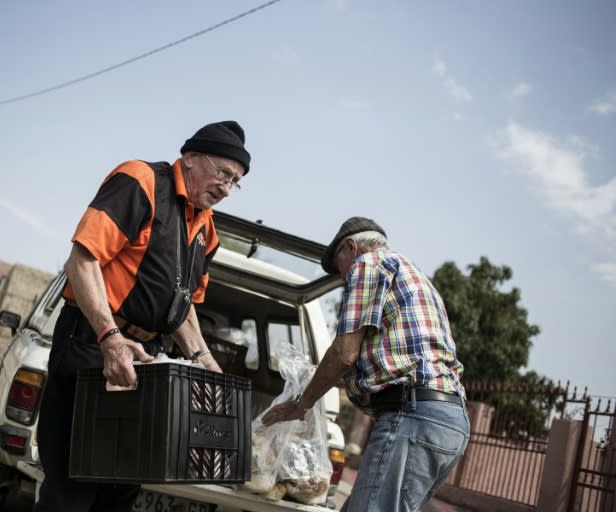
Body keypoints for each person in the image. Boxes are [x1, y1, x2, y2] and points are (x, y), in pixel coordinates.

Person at [34, 120, 251, 512]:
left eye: (235, 181)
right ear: (189, 157)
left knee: (121, 484)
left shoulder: (208, 229)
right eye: (222, 173)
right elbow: (82, 260)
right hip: (93, 342)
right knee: (72, 479)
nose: (226, 188)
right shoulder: (141, 181)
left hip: (149, 356)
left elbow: (184, 309)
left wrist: (204, 360)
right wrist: (110, 338)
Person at [262, 216, 470, 512]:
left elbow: (343, 354)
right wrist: (312, 377)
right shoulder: (413, 274)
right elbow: (377, 361)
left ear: (350, 247)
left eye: (339, 270)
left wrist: (302, 403)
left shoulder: (367, 264)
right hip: (449, 422)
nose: (343, 280)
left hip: (413, 416)